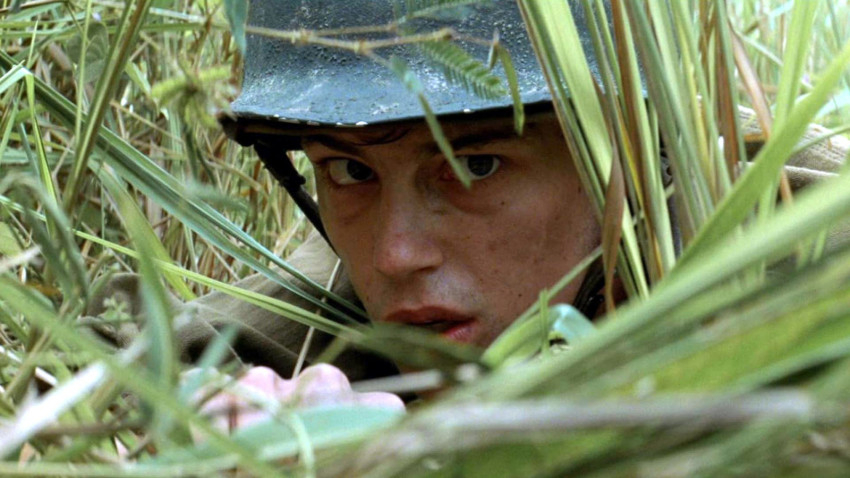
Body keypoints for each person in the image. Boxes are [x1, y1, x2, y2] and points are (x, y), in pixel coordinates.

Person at [86, 0, 848, 422]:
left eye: (472, 166)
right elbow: (108, 372)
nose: (394, 254)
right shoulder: (345, 287)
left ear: (620, 149)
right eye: (348, 169)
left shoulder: (811, 254)